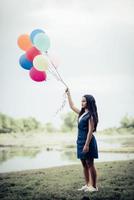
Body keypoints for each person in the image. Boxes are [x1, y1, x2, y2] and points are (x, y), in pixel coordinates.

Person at [65, 88, 99, 192]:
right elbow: (72, 106)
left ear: (89, 102)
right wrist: (68, 94)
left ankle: (94, 186)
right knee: (84, 164)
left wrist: (87, 145)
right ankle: (87, 184)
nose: (82, 102)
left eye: (84, 101)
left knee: (90, 163)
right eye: (81, 100)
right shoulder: (82, 113)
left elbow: (90, 131)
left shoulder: (91, 115)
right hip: (80, 141)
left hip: (87, 142)